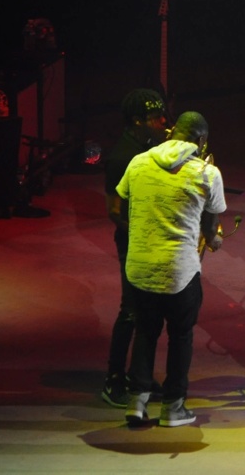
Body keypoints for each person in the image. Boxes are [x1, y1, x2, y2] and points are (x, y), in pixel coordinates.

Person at [118, 111, 227, 427]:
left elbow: (125, 204)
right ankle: (173, 407)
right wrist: (215, 238)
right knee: (181, 336)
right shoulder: (207, 173)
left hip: (138, 267)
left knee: (145, 331)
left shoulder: (138, 163)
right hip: (179, 271)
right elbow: (212, 230)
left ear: (171, 133)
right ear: (201, 140)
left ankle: (136, 402)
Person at [101, 88, 168, 408]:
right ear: (137, 121)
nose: (163, 122)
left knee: (149, 312)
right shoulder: (121, 158)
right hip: (133, 242)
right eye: (156, 117)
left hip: (151, 239)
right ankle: (113, 378)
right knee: (130, 310)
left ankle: (139, 374)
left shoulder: (151, 146)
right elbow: (115, 212)